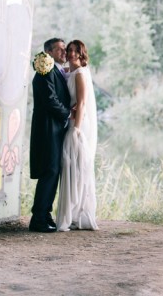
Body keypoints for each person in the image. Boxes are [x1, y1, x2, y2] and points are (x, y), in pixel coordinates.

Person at [56, 39, 99, 231]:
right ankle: (73, 212)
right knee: (70, 166)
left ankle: (80, 212)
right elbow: (60, 72)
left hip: (79, 124)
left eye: (75, 51)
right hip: (70, 121)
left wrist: (77, 129)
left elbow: (81, 103)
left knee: (79, 166)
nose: (71, 54)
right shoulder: (69, 72)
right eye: (69, 50)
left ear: (82, 54)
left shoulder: (80, 74)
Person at [29, 38, 71, 233]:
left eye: (65, 48)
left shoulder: (56, 70)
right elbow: (50, 100)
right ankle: (38, 219)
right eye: (60, 49)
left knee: (52, 172)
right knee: (50, 171)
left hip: (54, 128)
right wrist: (68, 113)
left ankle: (44, 214)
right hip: (48, 129)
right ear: (49, 52)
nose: (64, 52)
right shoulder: (45, 70)